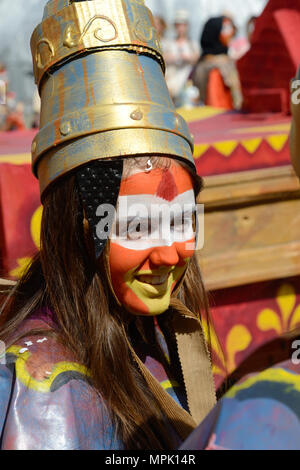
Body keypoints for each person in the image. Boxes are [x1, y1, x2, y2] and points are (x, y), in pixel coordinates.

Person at [0, 0, 216, 450]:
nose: (171, 253)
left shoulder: (144, 329)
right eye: (138, 228)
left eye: (181, 220)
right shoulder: (50, 389)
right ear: (79, 230)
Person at [191, 16, 243, 110]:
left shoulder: (201, 63)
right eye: (224, 29)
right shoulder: (220, 66)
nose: (229, 33)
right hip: (222, 114)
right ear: (214, 32)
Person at [163, 10, 200, 105]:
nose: (180, 28)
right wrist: (172, 57)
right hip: (171, 77)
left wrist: (188, 58)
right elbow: (163, 57)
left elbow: (197, 58)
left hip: (187, 78)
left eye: (183, 25)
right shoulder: (169, 43)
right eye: (178, 25)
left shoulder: (192, 44)